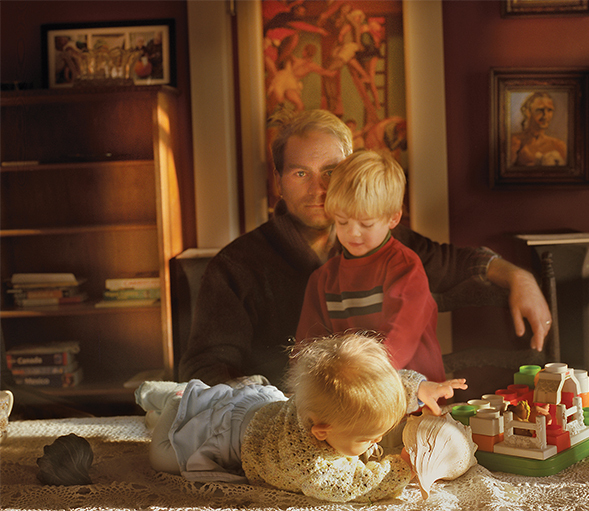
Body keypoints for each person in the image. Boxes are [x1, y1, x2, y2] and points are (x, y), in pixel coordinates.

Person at [179, 109, 552, 388]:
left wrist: (518, 276)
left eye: (331, 170)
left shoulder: (386, 245)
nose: (318, 189)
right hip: (287, 418)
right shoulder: (235, 267)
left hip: (385, 402)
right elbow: (206, 368)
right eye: (299, 173)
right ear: (278, 182)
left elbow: (457, 262)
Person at [137, 332, 467, 503]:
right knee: (163, 456)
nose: (377, 442)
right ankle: (174, 400)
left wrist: (417, 388)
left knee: (219, 396)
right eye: (367, 438)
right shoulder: (308, 463)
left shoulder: (322, 406)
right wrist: (399, 471)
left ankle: (170, 396)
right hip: (229, 433)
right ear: (322, 433)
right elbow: (350, 486)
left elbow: (376, 389)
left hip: (264, 403)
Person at [296, 150, 444, 382]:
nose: (353, 232)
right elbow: (307, 347)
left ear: (393, 218)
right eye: (342, 221)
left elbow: (400, 339)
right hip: (351, 393)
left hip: (409, 395)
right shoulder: (323, 279)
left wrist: (362, 378)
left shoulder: (405, 267)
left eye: (366, 223)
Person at [510, 92, 567, 167]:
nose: (546, 115)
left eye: (549, 110)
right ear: (528, 112)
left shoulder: (559, 146)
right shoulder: (513, 141)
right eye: (540, 110)